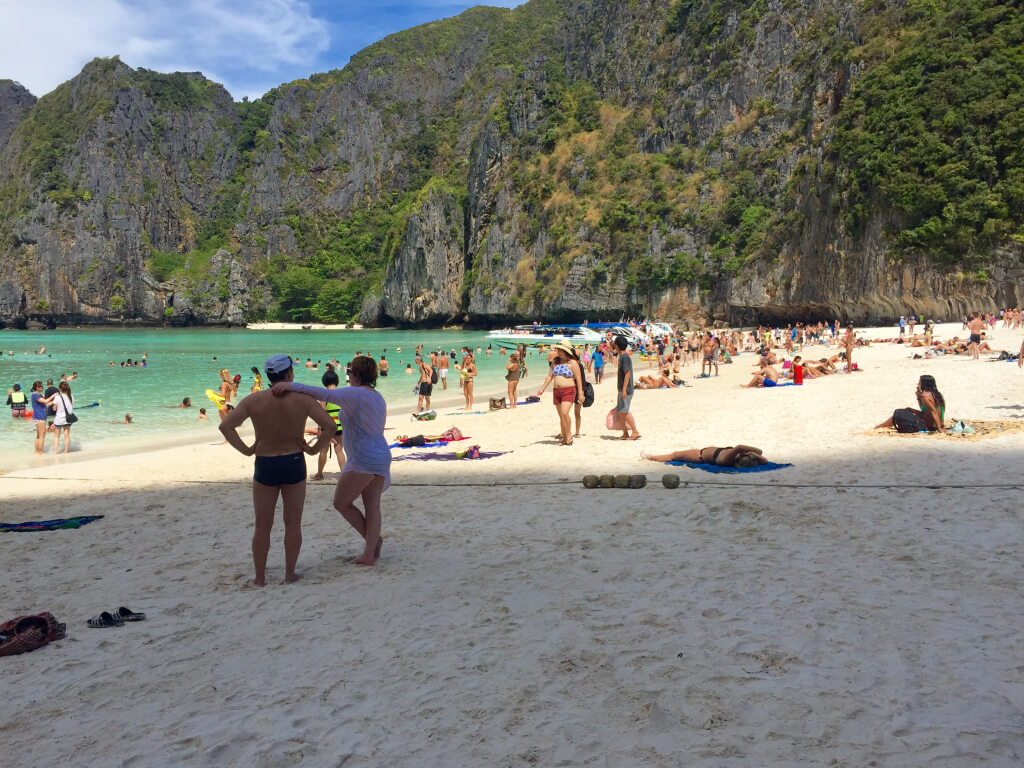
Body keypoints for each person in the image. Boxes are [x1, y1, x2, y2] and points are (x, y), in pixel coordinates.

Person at [219, 354, 336, 586]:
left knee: (262, 525)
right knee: (293, 523)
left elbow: (226, 426)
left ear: (268, 376)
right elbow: (330, 426)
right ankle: (289, 574)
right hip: (293, 461)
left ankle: (260, 578)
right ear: (290, 374)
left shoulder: (254, 400)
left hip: (265, 463)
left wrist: (246, 450)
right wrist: (313, 450)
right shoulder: (303, 399)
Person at [272, 355, 391, 566]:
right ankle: (370, 552)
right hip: (381, 454)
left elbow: (321, 392)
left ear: (355, 375)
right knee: (372, 507)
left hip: (364, 458)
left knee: (341, 503)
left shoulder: (353, 393)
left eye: (350, 372)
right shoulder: (377, 396)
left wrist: (289, 385)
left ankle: (372, 547)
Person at [535, 343, 584, 445]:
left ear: (566, 351)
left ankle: (569, 436)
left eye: (560, 350)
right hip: (556, 392)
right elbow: (549, 376)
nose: (558, 351)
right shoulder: (555, 362)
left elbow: (579, 379)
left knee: (564, 413)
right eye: (558, 349)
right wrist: (542, 388)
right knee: (562, 416)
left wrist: (580, 393)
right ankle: (565, 438)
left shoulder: (573, 363)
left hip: (569, 391)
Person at [874, 375, 945, 433]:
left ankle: (882, 426)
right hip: (938, 423)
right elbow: (925, 410)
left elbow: (934, 412)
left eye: (919, 382)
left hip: (931, 426)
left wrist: (939, 429)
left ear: (924, 384)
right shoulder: (937, 395)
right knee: (908, 409)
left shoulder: (925, 396)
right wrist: (918, 397)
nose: (918, 383)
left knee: (898, 415)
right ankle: (882, 425)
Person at [312, 366, 345, 481]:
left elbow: (321, 415)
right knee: (339, 450)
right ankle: (344, 474)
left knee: (323, 451)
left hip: (327, 428)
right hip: (340, 426)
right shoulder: (342, 394)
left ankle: (320, 474)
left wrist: (319, 430)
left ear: (324, 381)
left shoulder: (324, 396)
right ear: (337, 381)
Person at [642, 445, 767, 468]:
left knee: (674, 455)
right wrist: (755, 454)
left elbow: (739, 446)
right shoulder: (733, 457)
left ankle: (651, 457)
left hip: (699, 456)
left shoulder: (727, 460)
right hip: (704, 450)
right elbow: (763, 458)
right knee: (679, 453)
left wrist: (751, 451)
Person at [613, 335, 640, 440]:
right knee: (620, 411)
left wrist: (624, 389)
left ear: (617, 346)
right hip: (622, 388)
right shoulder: (622, 357)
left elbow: (627, 374)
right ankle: (625, 433)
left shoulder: (625, 357)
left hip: (626, 389)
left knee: (624, 411)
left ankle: (635, 431)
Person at [40, 381, 74, 454]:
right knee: (67, 435)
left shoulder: (58, 397)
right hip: (68, 418)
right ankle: (66, 452)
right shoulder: (71, 397)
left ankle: (55, 452)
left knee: (56, 437)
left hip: (59, 419)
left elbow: (54, 409)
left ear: (60, 389)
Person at [30, 381, 47, 453]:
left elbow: (45, 402)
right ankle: (40, 452)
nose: (42, 387)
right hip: (39, 417)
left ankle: (36, 451)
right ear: (37, 388)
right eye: (41, 386)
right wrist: (54, 396)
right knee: (41, 436)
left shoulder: (38, 395)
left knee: (38, 435)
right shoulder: (35, 395)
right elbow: (46, 401)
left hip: (38, 416)